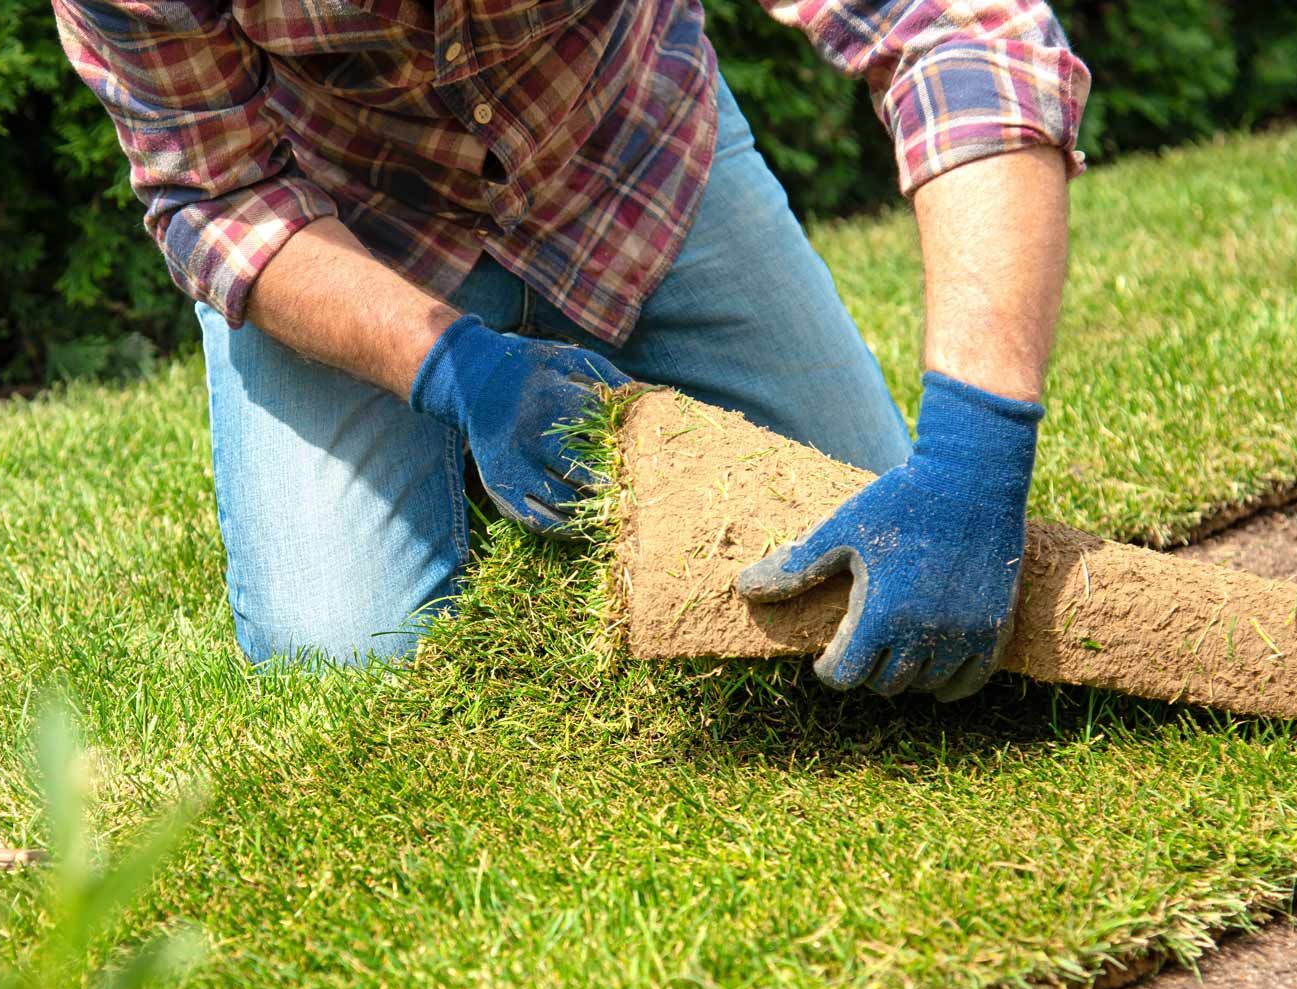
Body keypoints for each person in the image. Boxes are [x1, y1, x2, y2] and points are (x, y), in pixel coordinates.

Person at [54, 0, 1089, 697]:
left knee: (859, 534)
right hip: (352, 213)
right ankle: (457, 420)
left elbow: (961, 29)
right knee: (337, 655)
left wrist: (973, 452)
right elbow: (220, 194)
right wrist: (459, 372)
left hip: (624, 149)